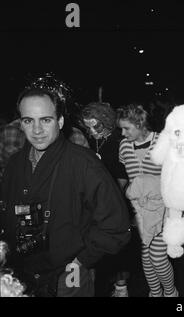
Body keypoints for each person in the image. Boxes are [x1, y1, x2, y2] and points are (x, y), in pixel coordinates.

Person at [0, 77, 131, 297]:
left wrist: (82, 260)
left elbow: (117, 227)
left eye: (46, 120)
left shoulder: (84, 163)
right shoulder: (14, 164)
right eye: (28, 121)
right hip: (22, 275)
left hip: (68, 275)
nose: (37, 129)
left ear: (60, 121)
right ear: (20, 123)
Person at [117, 104, 178, 297]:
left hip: (162, 210)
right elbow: (125, 178)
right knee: (146, 257)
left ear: (140, 124)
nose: (123, 133)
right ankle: (155, 293)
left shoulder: (162, 142)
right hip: (138, 210)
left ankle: (170, 292)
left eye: (127, 128)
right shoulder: (124, 146)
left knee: (158, 257)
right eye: (121, 128)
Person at [80, 102, 133, 297]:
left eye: (97, 126)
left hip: (114, 201)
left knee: (115, 247)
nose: (92, 131)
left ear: (107, 122)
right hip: (93, 203)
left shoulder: (119, 142)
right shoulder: (88, 140)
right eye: (88, 126)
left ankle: (121, 288)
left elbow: (122, 179)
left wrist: (110, 203)